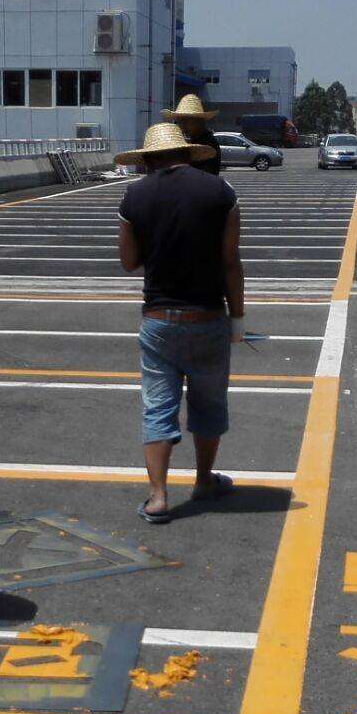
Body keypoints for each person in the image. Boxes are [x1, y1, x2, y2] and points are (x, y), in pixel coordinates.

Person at [116, 121, 245, 526]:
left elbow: (128, 261)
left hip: (158, 318)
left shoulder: (134, 196)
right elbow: (230, 262)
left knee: (158, 406)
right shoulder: (220, 193)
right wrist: (238, 315)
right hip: (207, 316)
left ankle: (157, 497)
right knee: (208, 404)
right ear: (188, 153)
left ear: (150, 159)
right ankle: (204, 480)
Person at [163, 94, 226, 177]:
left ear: (199, 121)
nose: (182, 126)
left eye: (185, 121)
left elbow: (204, 175)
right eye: (179, 122)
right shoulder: (194, 139)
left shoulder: (207, 143)